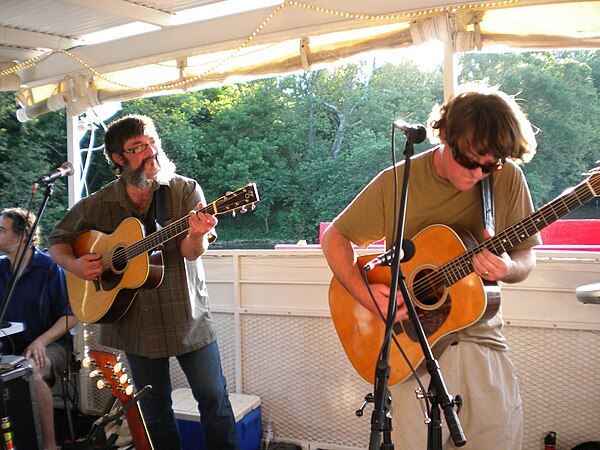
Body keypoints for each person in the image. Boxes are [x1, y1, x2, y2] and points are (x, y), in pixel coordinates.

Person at [321, 83, 540, 449]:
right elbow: (335, 238)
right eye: (469, 160)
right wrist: (365, 293)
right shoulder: (398, 182)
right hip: (413, 354)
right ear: (444, 136)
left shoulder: (506, 180)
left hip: (480, 344)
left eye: (490, 165)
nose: (477, 174)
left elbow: (525, 257)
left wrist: (506, 268)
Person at [48, 114, 239, 450]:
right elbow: (58, 239)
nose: (151, 151)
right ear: (119, 159)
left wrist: (197, 233)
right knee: (154, 412)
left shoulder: (184, 190)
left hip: (186, 317)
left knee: (215, 402)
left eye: (153, 142)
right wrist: (75, 264)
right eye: (138, 147)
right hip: (134, 323)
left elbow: (191, 252)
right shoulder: (100, 202)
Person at [0, 207, 77, 450]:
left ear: (22, 235)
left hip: (50, 346)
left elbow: (71, 317)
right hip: (10, 348)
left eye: (1, 230)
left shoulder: (50, 268)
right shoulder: (0, 269)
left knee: (28, 373)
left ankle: (49, 445)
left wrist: (40, 342)